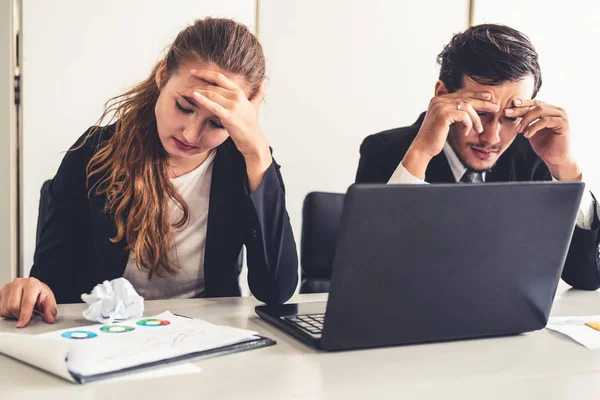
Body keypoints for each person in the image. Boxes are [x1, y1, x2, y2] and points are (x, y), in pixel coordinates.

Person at [0, 18, 298, 328]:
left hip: (206, 338)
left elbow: (276, 290)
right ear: (162, 75)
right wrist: (32, 289)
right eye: (184, 106)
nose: (191, 134)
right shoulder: (93, 153)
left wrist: (257, 152)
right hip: (105, 336)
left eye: (217, 123)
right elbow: (50, 282)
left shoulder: (244, 164)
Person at [356, 24, 600, 291]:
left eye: (510, 118)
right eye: (481, 113)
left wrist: (565, 169)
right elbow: (372, 274)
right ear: (442, 96)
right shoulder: (385, 151)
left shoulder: (533, 156)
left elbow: (587, 277)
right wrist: (421, 154)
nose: (492, 138)